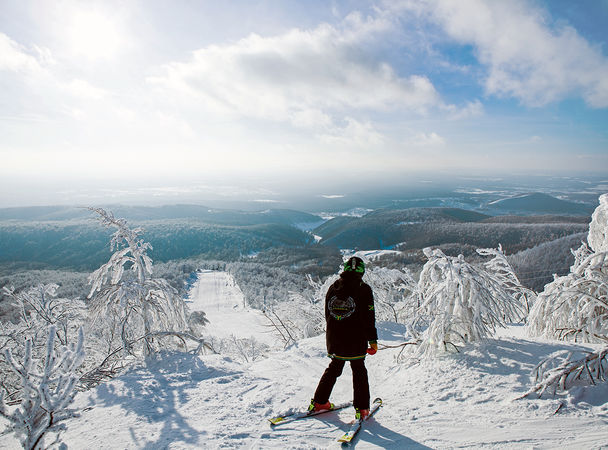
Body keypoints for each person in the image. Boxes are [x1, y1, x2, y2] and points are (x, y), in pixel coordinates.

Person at [308, 256, 378, 420]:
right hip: (356, 339)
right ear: (362, 271)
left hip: (335, 338)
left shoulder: (333, 287)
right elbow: (369, 317)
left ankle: (320, 402)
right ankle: (362, 409)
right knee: (359, 370)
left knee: (334, 368)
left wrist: (333, 335)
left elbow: (328, 314)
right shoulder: (364, 289)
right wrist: (373, 341)